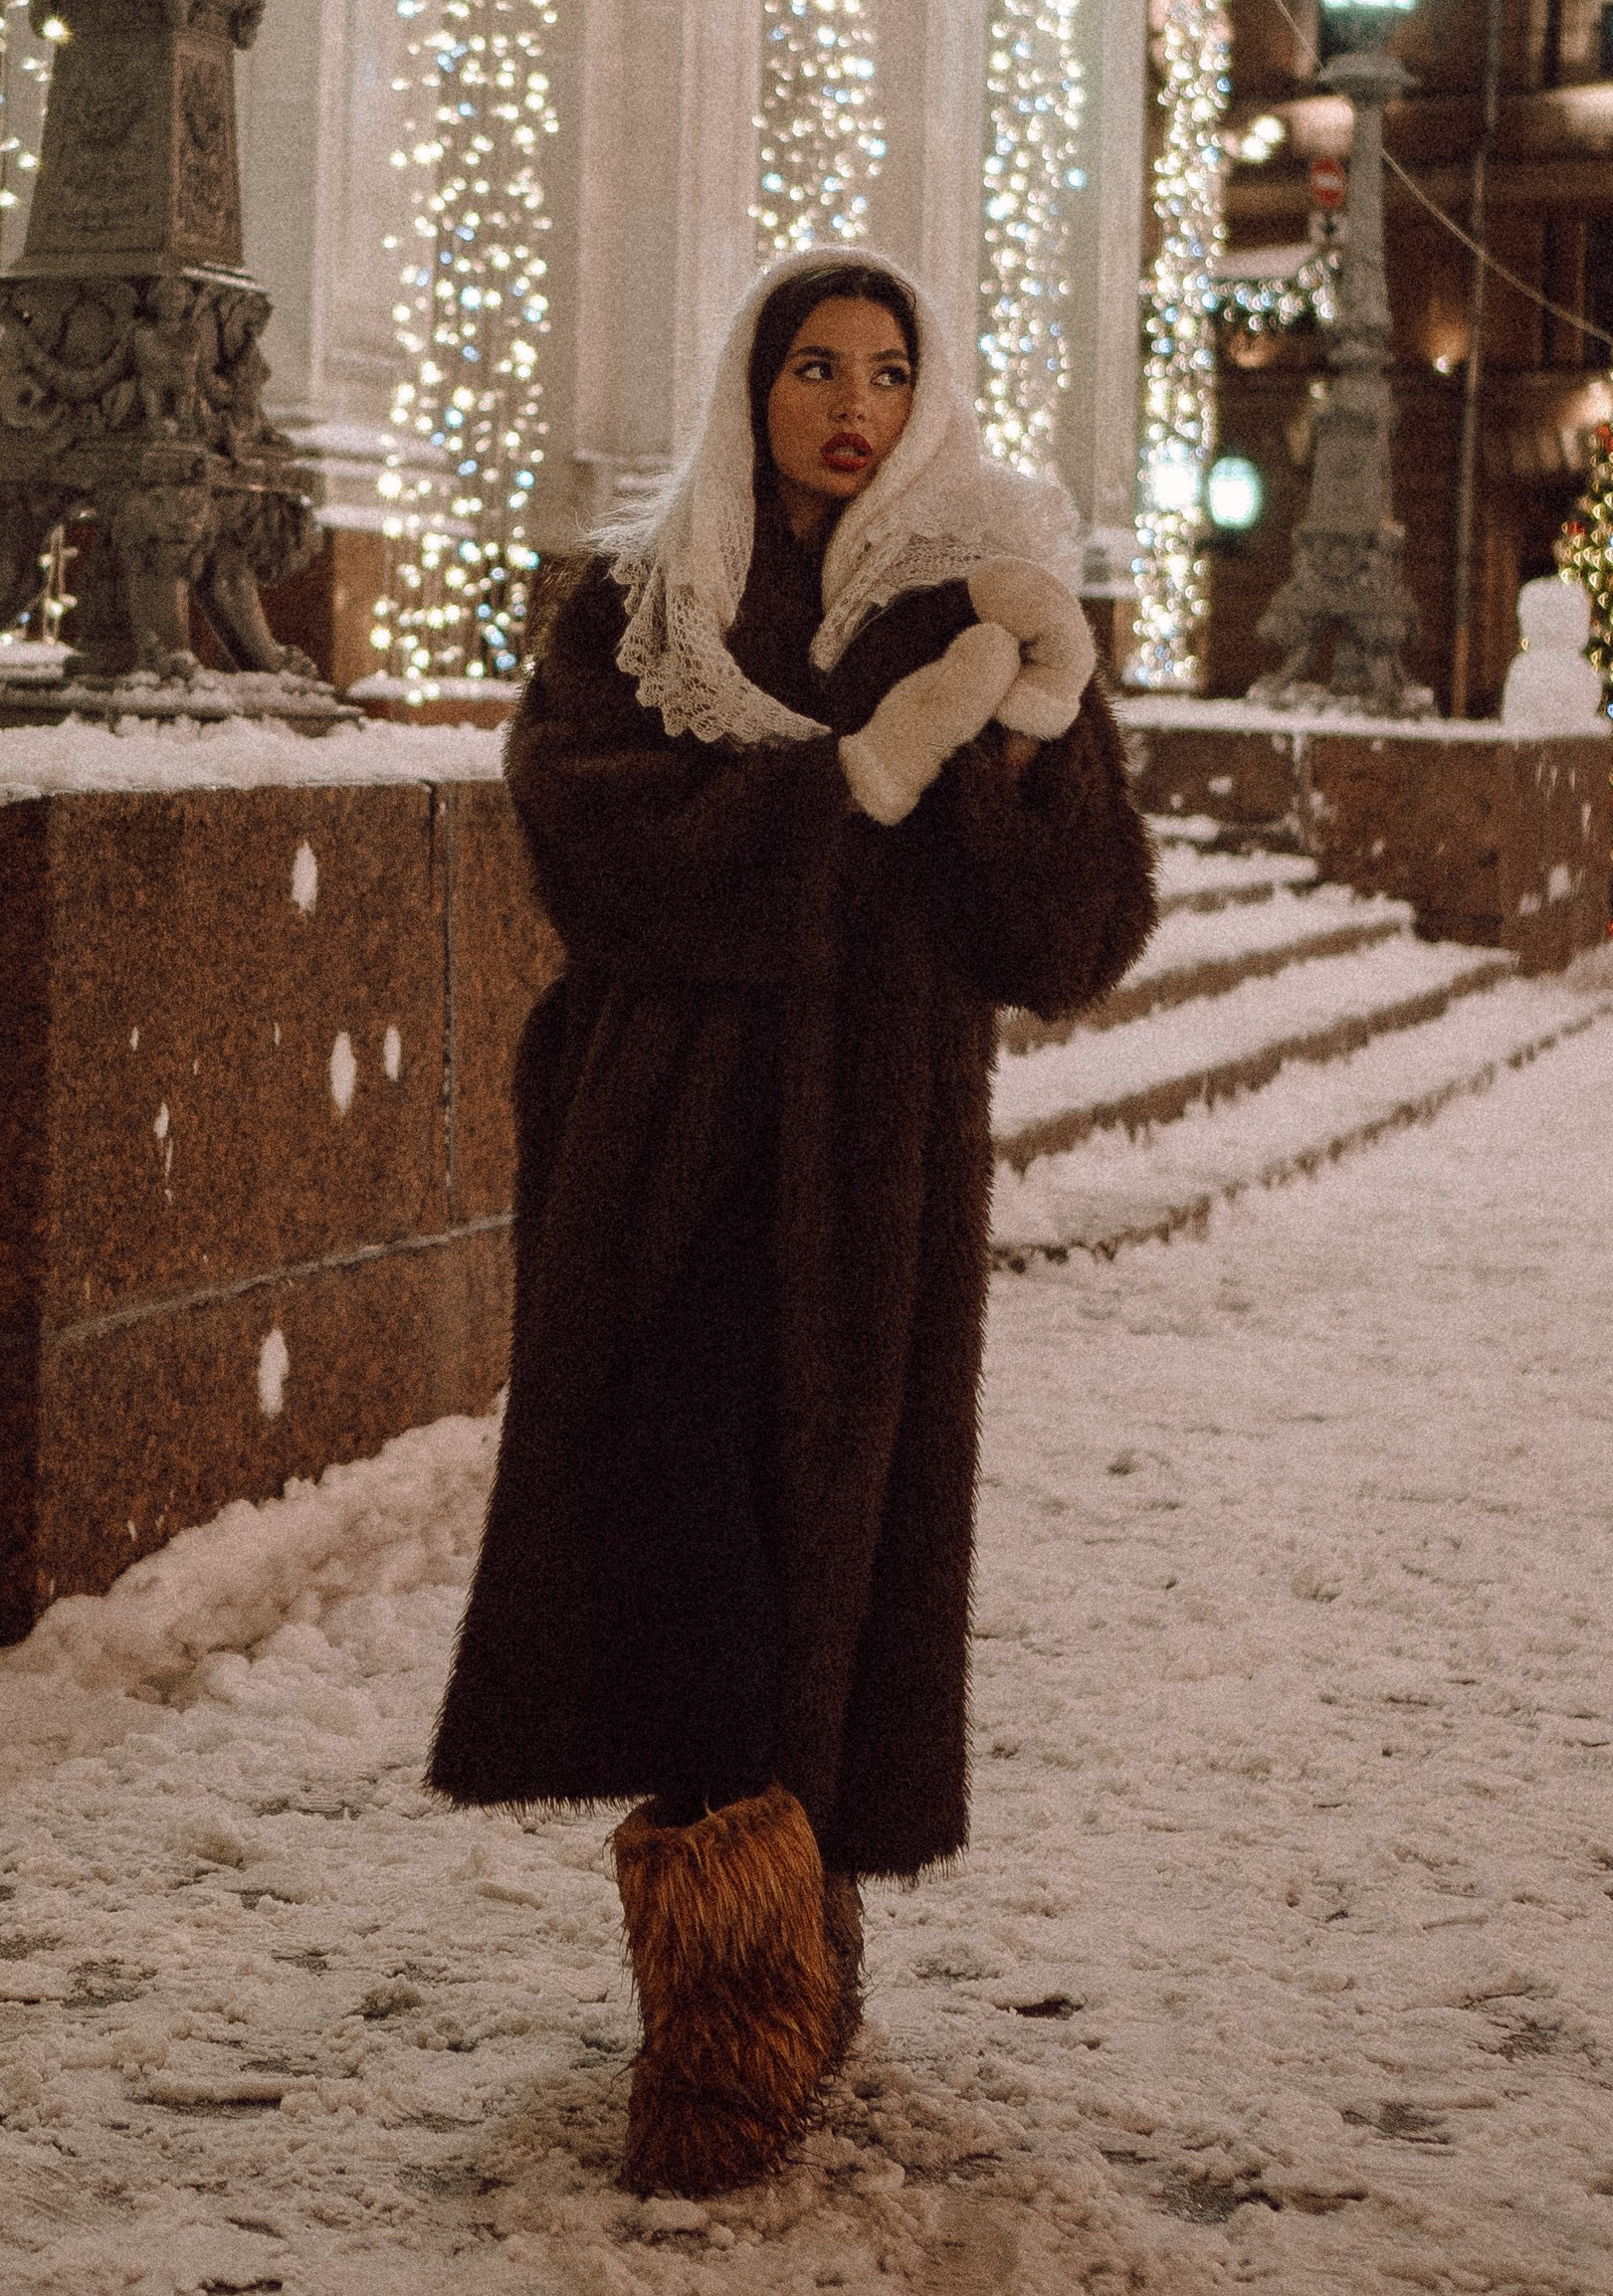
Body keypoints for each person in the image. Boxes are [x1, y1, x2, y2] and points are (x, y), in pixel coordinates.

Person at [429, 247, 1159, 2197]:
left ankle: (778, 1959)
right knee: (692, 1557)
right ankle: (720, 2002)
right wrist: (845, 782)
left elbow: (1069, 935)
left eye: (888, 370)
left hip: (868, 1168)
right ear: (749, 387)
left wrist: (1020, 740)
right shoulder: (647, 599)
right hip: (661, 1148)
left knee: (824, 1566)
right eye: (812, 365)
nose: (850, 401)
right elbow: (586, 832)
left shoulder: (983, 598)